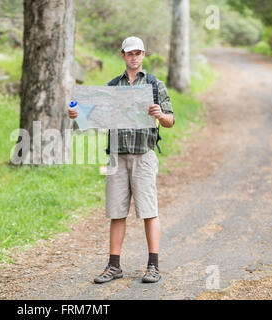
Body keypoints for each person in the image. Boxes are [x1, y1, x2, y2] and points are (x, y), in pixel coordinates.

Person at [68, 36, 175, 284]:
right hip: (116, 156)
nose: (134, 57)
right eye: (130, 53)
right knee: (117, 212)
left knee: (149, 212)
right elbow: (89, 120)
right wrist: (77, 114)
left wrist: (160, 115)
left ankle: (153, 266)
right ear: (123, 56)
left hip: (143, 156)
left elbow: (170, 121)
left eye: (138, 53)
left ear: (144, 55)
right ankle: (114, 266)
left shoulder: (154, 85)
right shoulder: (112, 87)